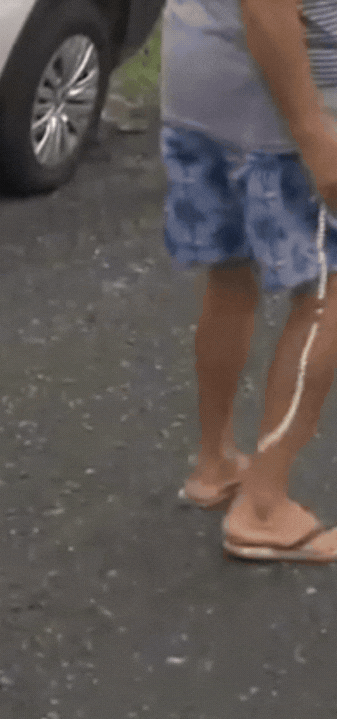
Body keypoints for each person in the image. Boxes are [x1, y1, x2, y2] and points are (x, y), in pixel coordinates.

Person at [161, 0, 337, 560]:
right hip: (278, 105)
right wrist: (314, 135)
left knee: (231, 274)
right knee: (329, 291)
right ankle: (263, 507)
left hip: (200, 80)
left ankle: (215, 465)